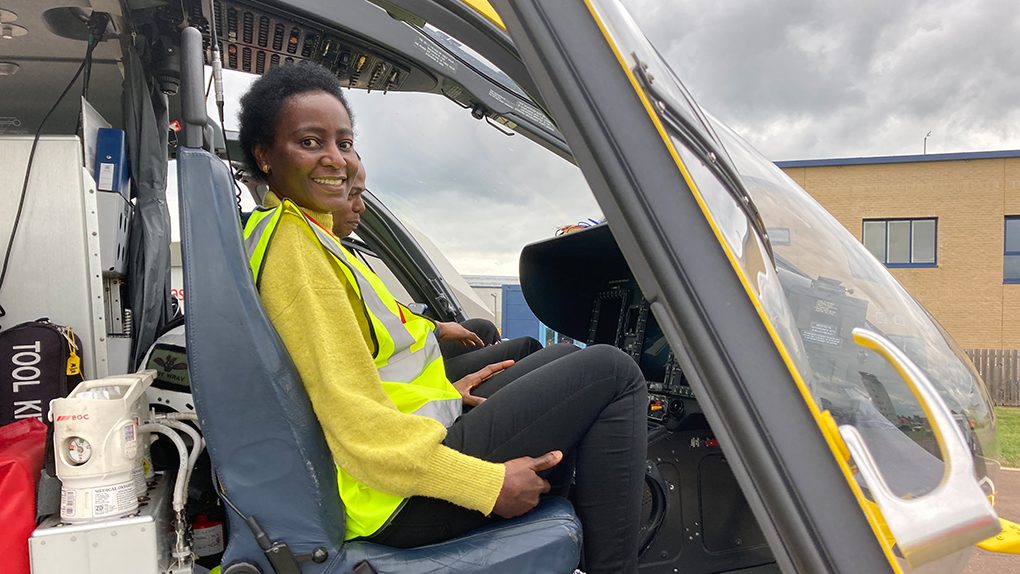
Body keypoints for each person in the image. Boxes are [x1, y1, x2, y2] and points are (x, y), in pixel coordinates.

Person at [238, 60, 647, 573]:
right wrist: (487, 485)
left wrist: (444, 394)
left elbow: (366, 374)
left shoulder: (299, 233)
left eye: (343, 142)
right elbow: (358, 431)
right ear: (264, 155)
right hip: (393, 498)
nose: (335, 160)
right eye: (310, 142)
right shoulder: (298, 255)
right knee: (613, 371)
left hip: (393, 463)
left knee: (564, 357)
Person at [331, 161, 543, 383]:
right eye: (350, 195)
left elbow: (384, 320)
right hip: (397, 384)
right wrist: (452, 394)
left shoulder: (337, 251)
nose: (361, 207)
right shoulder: (322, 263)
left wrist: (437, 328)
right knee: (526, 348)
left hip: (397, 363)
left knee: (482, 329)